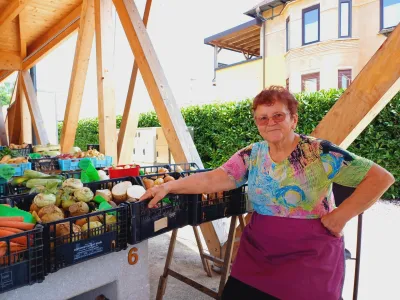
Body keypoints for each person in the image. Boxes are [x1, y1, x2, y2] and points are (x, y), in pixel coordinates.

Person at [139, 86, 395, 300]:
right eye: (263, 118)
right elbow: (215, 178)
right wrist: (169, 186)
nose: (270, 122)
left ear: (293, 119)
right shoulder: (253, 154)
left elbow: (381, 178)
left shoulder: (319, 152)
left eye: (278, 116)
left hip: (310, 256)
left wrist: (340, 216)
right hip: (259, 252)